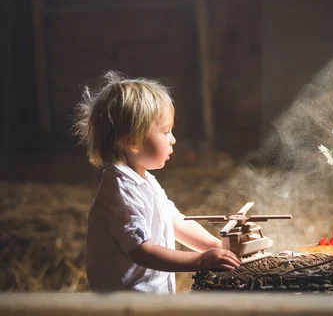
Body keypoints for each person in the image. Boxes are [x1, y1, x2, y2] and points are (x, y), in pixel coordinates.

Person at [73, 71, 240, 293]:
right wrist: (200, 261)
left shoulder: (144, 180)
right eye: (165, 131)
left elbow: (175, 221)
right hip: (128, 305)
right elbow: (142, 251)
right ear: (133, 142)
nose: (173, 139)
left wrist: (217, 247)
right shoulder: (120, 192)